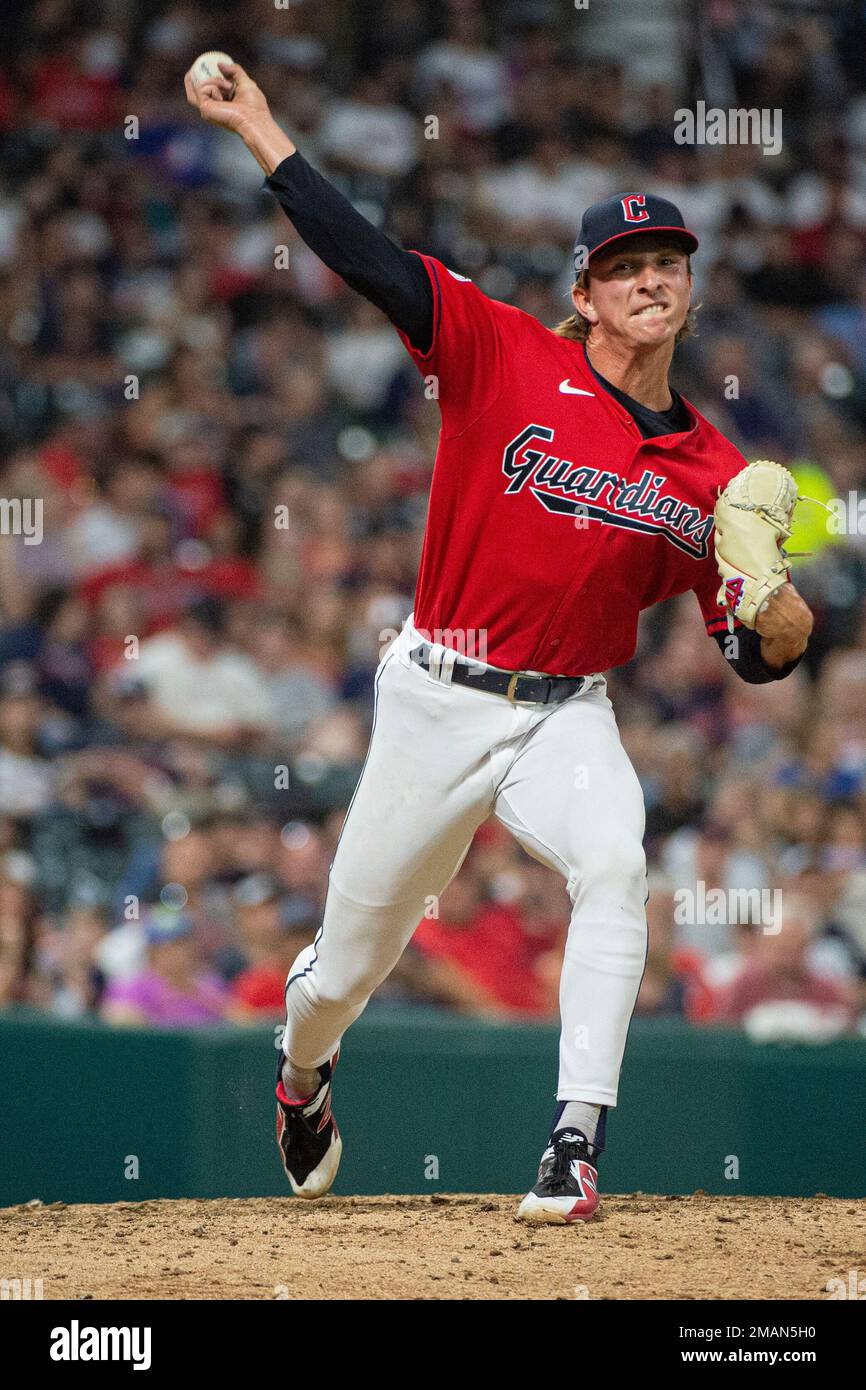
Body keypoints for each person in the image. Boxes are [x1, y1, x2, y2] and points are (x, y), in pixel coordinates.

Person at [185, 61, 813, 1222]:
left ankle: (571, 1145)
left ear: (688, 287)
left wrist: (778, 612)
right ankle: (302, 1073)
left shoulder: (714, 474)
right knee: (341, 974)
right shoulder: (502, 349)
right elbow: (366, 257)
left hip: (566, 710)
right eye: (622, 266)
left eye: (665, 263)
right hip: (436, 694)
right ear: (584, 292)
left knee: (618, 865)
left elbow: (752, 653)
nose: (647, 280)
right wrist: (262, 127)